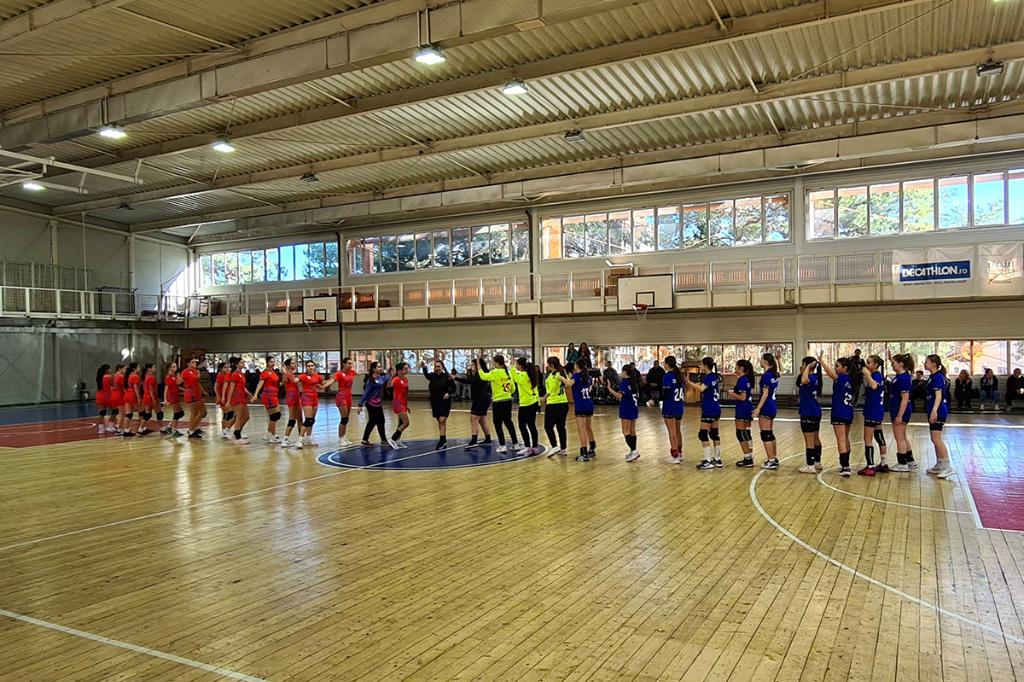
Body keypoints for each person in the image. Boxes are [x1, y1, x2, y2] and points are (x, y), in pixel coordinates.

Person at [686, 357, 722, 470]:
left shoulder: (708, 378)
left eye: (701, 364)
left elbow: (702, 389)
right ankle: (717, 459)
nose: (700, 366)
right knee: (714, 433)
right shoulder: (715, 376)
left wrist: (689, 382)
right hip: (716, 407)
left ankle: (707, 460)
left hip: (709, 408)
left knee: (703, 434)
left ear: (706, 366)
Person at [820, 356, 854, 476]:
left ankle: (845, 466)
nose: (835, 368)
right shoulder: (850, 379)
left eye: (837, 366)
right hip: (848, 412)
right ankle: (847, 464)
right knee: (846, 438)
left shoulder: (840, 378)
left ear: (845, 368)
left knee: (841, 439)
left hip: (839, 412)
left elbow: (831, 374)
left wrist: (822, 362)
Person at [479, 354, 520, 453]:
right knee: (508, 422)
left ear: (497, 363)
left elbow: (483, 377)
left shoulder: (495, 372)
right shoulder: (508, 373)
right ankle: (516, 444)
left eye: (494, 362)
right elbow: (513, 389)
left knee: (497, 424)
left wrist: (479, 367)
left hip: (498, 402)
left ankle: (502, 445)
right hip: (508, 401)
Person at [924, 354, 955, 479]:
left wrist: (934, 411)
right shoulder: (933, 376)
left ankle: (948, 466)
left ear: (934, 363)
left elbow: (938, 396)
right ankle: (940, 463)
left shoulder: (937, 377)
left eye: (927, 362)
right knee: (934, 438)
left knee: (936, 438)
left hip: (938, 410)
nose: (925, 364)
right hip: (933, 409)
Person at [859, 355, 889, 475]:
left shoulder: (875, 375)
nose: (866, 365)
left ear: (875, 365)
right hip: (877, 409)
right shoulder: (878, 375)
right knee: (879, 436)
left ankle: (870, 466)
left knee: (867, 439)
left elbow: (874, 386)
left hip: (872, 410)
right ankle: (883, 463)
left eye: (869, 362)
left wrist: (867, 374)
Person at [888, 352, 917, 472]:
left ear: (901, 364)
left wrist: (899, 415)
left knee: (899, 437)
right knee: (903, 436)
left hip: (900, 410)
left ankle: (902, 463)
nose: (892, 365)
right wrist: (891, 358)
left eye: (893, 363)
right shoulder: (900, 376)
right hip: (897, 409)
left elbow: (905, 399)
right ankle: (910, 460)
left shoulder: (904, 379)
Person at [796, 356, 824, 474]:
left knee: (809, 440)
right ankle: (817, 462)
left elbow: (803, 381)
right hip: (815, 411)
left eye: (803, 364)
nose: (801, 367)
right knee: (816, 437)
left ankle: (810, 465)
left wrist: (807, 367)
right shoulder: (816, 377)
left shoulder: (809, 378)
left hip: (808, 411)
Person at [455, 359, 493, 448]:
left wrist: (455, 378)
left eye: (472, 365)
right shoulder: (479, 374)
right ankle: (488, 439)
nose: (471, 367)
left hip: (480, 399)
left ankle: (474, 440)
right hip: (483, 399)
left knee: (474, 419)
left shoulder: (479, 375)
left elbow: (469, 381)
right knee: (482, 420)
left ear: (477, 366)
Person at [606, 366, 640, 461]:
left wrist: (609, 389)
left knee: (626, 431)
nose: (620, 373)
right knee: (632, 430)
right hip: (634, 407)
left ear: (625, 372)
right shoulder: (633, 382)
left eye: (621, 371)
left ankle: (634, 451)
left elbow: (619, 396)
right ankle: (633, 451)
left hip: (626, 408)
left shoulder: (624, 383)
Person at [510, 357, 543, 455]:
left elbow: (513, 376)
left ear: (520, 366)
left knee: (522, 425)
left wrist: (512, 366)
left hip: (526, 404)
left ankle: (527, 447)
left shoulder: (523, 375)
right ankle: (535, 447)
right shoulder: (531, 375)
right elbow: (535, 390)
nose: (516, 365)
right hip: (533, 403)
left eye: (517, 364)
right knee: (532, 426)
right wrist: (538, 403)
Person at [320, 357, 356, 446]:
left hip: (349, 397)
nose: (351, 365)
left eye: (351, 364)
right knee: (344, 419)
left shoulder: (352, 372)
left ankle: (344, 436)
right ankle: (340, 439)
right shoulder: (339, 374)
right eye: (349, 364)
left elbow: (362, 373)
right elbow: (331, 381)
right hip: (341, 397)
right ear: (344, 364)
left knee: (346, 418)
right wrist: (323, 387)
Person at [753, 353, 780, 469]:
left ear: (765, 362)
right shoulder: (775, 374)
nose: (760, 361)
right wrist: (779, 360)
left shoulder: (766, 376)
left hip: (766, 406)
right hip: (773, 406)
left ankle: (771, 460)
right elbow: (781, 372)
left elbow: (765, 393)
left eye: (761, 359)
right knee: (770, 433)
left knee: (765, 434)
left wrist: (758, 408)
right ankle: (773, 457)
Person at [421, 360, 455, 450]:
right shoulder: (432, 376)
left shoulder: (447, 377)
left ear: (442, 367)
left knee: (442, 420)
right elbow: (426, 375)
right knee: (439, 421)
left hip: (444, 402)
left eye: (438, 366)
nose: (437, 368)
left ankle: (441, 440)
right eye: (435, 366)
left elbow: (453, 387)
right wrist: (424, 367)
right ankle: (443, 438)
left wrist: (448, 393)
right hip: (435, 402)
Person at [541, 356, 571, 457]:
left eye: (548, 364)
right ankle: (563, 449)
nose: (547, 366)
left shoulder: (556, 375)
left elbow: (552, 390)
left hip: (554, 404)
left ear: (552, 365)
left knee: (548, 426)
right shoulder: (557, 374)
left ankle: (554, 446)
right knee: (561, 427)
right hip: (563, 403)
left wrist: (544, 398)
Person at [731, 360, 756, 467]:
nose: (735, 368)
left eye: (736, 366)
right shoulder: (747, 379)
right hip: (748, 407)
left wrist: (731, 393)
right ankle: (749, 455)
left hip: (742, 409)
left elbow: (742, 397)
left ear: (741, 368)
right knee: (746, 432)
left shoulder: (742, 380)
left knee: (740, 433)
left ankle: (747, 458)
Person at [357, 362, 389, 446]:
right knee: (373, 421)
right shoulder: (370, 380)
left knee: (381, 421)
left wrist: (392, 371)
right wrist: (360, 404)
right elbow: (366, 393)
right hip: (371, 404)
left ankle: (383, 440)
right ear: (374, 369)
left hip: (378, 403)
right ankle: (366, 440)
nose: (380, 368)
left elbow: (388, 376)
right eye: (379, 367)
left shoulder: (381, 377)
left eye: (381, 366)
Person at [298, 360, 329, 447]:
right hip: (306, 398)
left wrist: (333, 379)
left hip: (314, 398)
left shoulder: (317, 376)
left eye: (312, 365)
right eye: (308, 366)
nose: (310, 367)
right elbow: (295, 380)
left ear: (314, 367)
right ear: (306, 367)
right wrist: (289, 374)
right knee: (308, 420)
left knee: (312, 420)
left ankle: (308, 439)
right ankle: (300, 440)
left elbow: (322, 385)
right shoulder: (303, 376)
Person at [571, 358, 596, 461]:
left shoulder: (576, 376)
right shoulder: (588, 377)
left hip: (580, 405)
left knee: (581, 430)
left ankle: (584, 453)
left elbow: (568, 384)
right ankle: (592, 448)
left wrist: (560, 377)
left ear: (577, 366)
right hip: (589, 404)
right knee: (588, 428)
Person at [253, 357, 283, 443]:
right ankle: (272, 436)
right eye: (271, 362)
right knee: (275, 415)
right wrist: (255, 395)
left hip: (274, 395)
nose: (273, 363)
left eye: (274, 362)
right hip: (268, 396)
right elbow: (260, 384)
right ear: (267, 363)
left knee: (276, 415)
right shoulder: (265, 373)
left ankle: (269, 434)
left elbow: (279, 384)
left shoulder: (273, 372)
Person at [661, 355, 685, 463]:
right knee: (678, 430)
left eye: (664, 363)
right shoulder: (679, 375)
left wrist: (656, 400)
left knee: (672, 431)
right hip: (679, 406)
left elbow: (665, 393)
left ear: (667, 364)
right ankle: (680, 453)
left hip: (669, 406)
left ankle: (675, 455)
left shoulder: (667, 376)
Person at [224, 357, 250, 445]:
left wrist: (250, 395)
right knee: (239, 417)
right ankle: (237, 437)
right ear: (236, 364)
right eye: (241, 362)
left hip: (242, 397)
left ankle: (236, 433)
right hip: (236, 397)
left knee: (246, 416)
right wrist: (228, 401)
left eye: (243, 362)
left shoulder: (241, 374)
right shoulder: (234, 374)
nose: (243, 364)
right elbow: (231, 388)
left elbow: (243, 387)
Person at [180, 357, 207, 439]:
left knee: (203, 412)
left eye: (195, 362)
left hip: (197, 393)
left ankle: (194, 427)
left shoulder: (195, 371)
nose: (194, 363)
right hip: (191, 394)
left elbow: (197, 383)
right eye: (192, 362)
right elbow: (179, 382)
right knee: (194, 412)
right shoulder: (185, 372)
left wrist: (203, 391)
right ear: (187, 363)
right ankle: (191, 430)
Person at [281, 358, 303, 448]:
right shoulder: (287, 374)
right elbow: (283, 382)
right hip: (291, 397)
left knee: (300, 418)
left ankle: (301, 438)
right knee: (292, 419)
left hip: (297, 397)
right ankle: (285, 439)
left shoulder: (291, 373)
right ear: (288, 366)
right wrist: (285, 372)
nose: (295, 364)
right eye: (293, 363)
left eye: (295, 363)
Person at [161, 361, 185, 438]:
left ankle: (169, 427)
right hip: (172, 396)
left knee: (181, 413)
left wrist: (185, 390)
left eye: (176, 366)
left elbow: (176, 386)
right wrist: (165, 399)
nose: (175, 368)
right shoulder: (168, 377)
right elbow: (166, 389)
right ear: (169, 368)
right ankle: (173, 430)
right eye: (173, 367)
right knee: (177, 414)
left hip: (175, 395)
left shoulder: (174, 376)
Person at [214, 362, 234, 439]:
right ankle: (224, 431)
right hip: (222, 397)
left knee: (229, 414)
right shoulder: (220, 376)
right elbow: (215, 386)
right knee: (227, 414)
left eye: (227, 367)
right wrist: (218, 396)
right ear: (220, 369)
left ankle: (226, 430)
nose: (227, 369)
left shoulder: (227, 375)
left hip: (226, 397)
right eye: (225, 367)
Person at [139, 363, 160, 436]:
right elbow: (151, 389)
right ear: (149, 369)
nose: (155, 368)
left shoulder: (145, 376)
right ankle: (162, 428)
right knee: (159, 413)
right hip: (150, 396)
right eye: (153, 367)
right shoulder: (151, 377)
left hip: (146, 396)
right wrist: (154, 399)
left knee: (147, 414)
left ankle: (141, 429)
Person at [123, 362, 142, 437]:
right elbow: (135, 387)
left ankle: (126, 431)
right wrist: (138, 397)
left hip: (127, 394)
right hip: (133, 395)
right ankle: (141, 429)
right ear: (134, 368)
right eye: (138, 367)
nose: (139, 368)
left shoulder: (128, 375)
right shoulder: (135, 376)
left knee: (128, 414)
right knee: (141, 412)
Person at [95, 364, 112, 435]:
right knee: (115, 411)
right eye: (109, 369)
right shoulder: (109, 377)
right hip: (107, 396)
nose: (110, 370)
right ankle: (111, 426)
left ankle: (101, 429)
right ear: (106, 370)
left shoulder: (99, 377)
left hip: (99, 396)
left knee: (102, 413)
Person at [110, 364, 126, 435]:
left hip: (113, 395)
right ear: (120, 369)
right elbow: (124, 388)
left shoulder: (113, 376)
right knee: (122, 413)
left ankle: (118, 427)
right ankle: (118, 427)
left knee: (120, 413)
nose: (125, 370)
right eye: (124, 368)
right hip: (119, 395)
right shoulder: (121, 376)